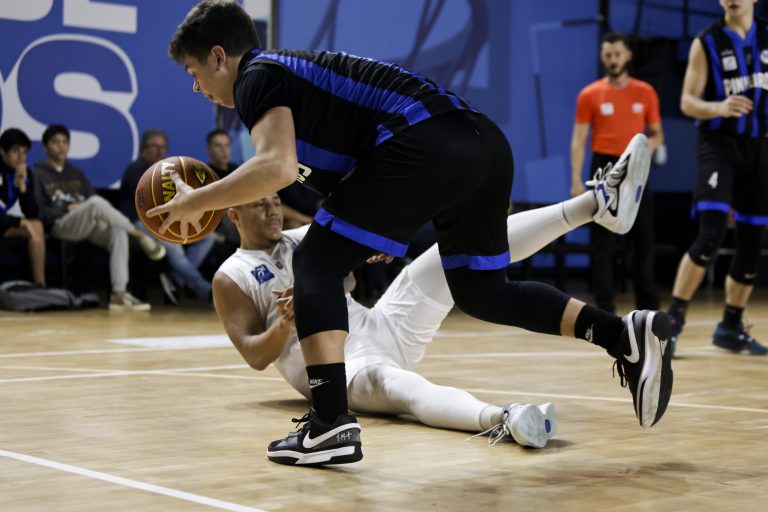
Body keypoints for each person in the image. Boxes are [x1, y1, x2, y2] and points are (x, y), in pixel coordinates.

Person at [153, 0, 673, 466]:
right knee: (483, 292)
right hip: (481, 143)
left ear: (219, 57)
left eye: (194, 73)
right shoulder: (294, 83)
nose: (197, 88)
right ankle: (622, 335)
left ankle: (329, 423)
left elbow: (276, 167)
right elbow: (341, 172)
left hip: (423, 143)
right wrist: (377, 230)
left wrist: (194, 200)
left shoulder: (255, 76)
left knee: (313, 263)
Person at [666, 0, 768, 356]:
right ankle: (672, 322)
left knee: (753, 241)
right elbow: (687, 102)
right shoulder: (707, 41)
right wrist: (719, 107)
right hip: (718, 145)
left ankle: (730, 326)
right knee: (710, 236)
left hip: (760, 147)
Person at [571, 32, 665, 314]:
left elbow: (657, 134)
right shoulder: (589, 94)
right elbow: (579, 139)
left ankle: (647, 311)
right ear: (603, 58)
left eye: (617, 54)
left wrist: (644, 152)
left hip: (636, 170)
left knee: (644, 241)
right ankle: (604, 311)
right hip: (604, 168)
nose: (612, 60)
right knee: (603, 243)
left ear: (628, 55)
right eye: (608, 55)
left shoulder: (645, 92)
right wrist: (575, 180)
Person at [33, 124, 165, 309]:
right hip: (61, 225)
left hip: (87, 223)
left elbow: (91, 199)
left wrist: (82, 208)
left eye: (64, 142)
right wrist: (66, 209)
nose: (61, 146)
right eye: (55, 142)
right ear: (45, 147)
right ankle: (140, 235)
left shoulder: (76, 173)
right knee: (95, 202)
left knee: (118, 231)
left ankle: (119, 294)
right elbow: (39, 211)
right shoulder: (38, 173)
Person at [119, 129, 214, 304]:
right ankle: (205, 289)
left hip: (166, 217)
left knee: (208, 236)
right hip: (139, 221)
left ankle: (176, 280)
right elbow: (149, 207)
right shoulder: (136, 170)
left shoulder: (166, 171)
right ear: (143, 148)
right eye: (154, 146)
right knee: (174, 245)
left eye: (163, 147)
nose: (160, 151)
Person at [0, 128, 46, 287]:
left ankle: (40, 285)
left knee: (36, 226)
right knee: (28, 224)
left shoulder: (24, 172)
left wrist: (22, 186)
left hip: (2, 225)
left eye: (24, 152)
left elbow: (32, 213)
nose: (21, 157)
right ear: (2, 151)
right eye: (15, 151)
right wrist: (20, 221)